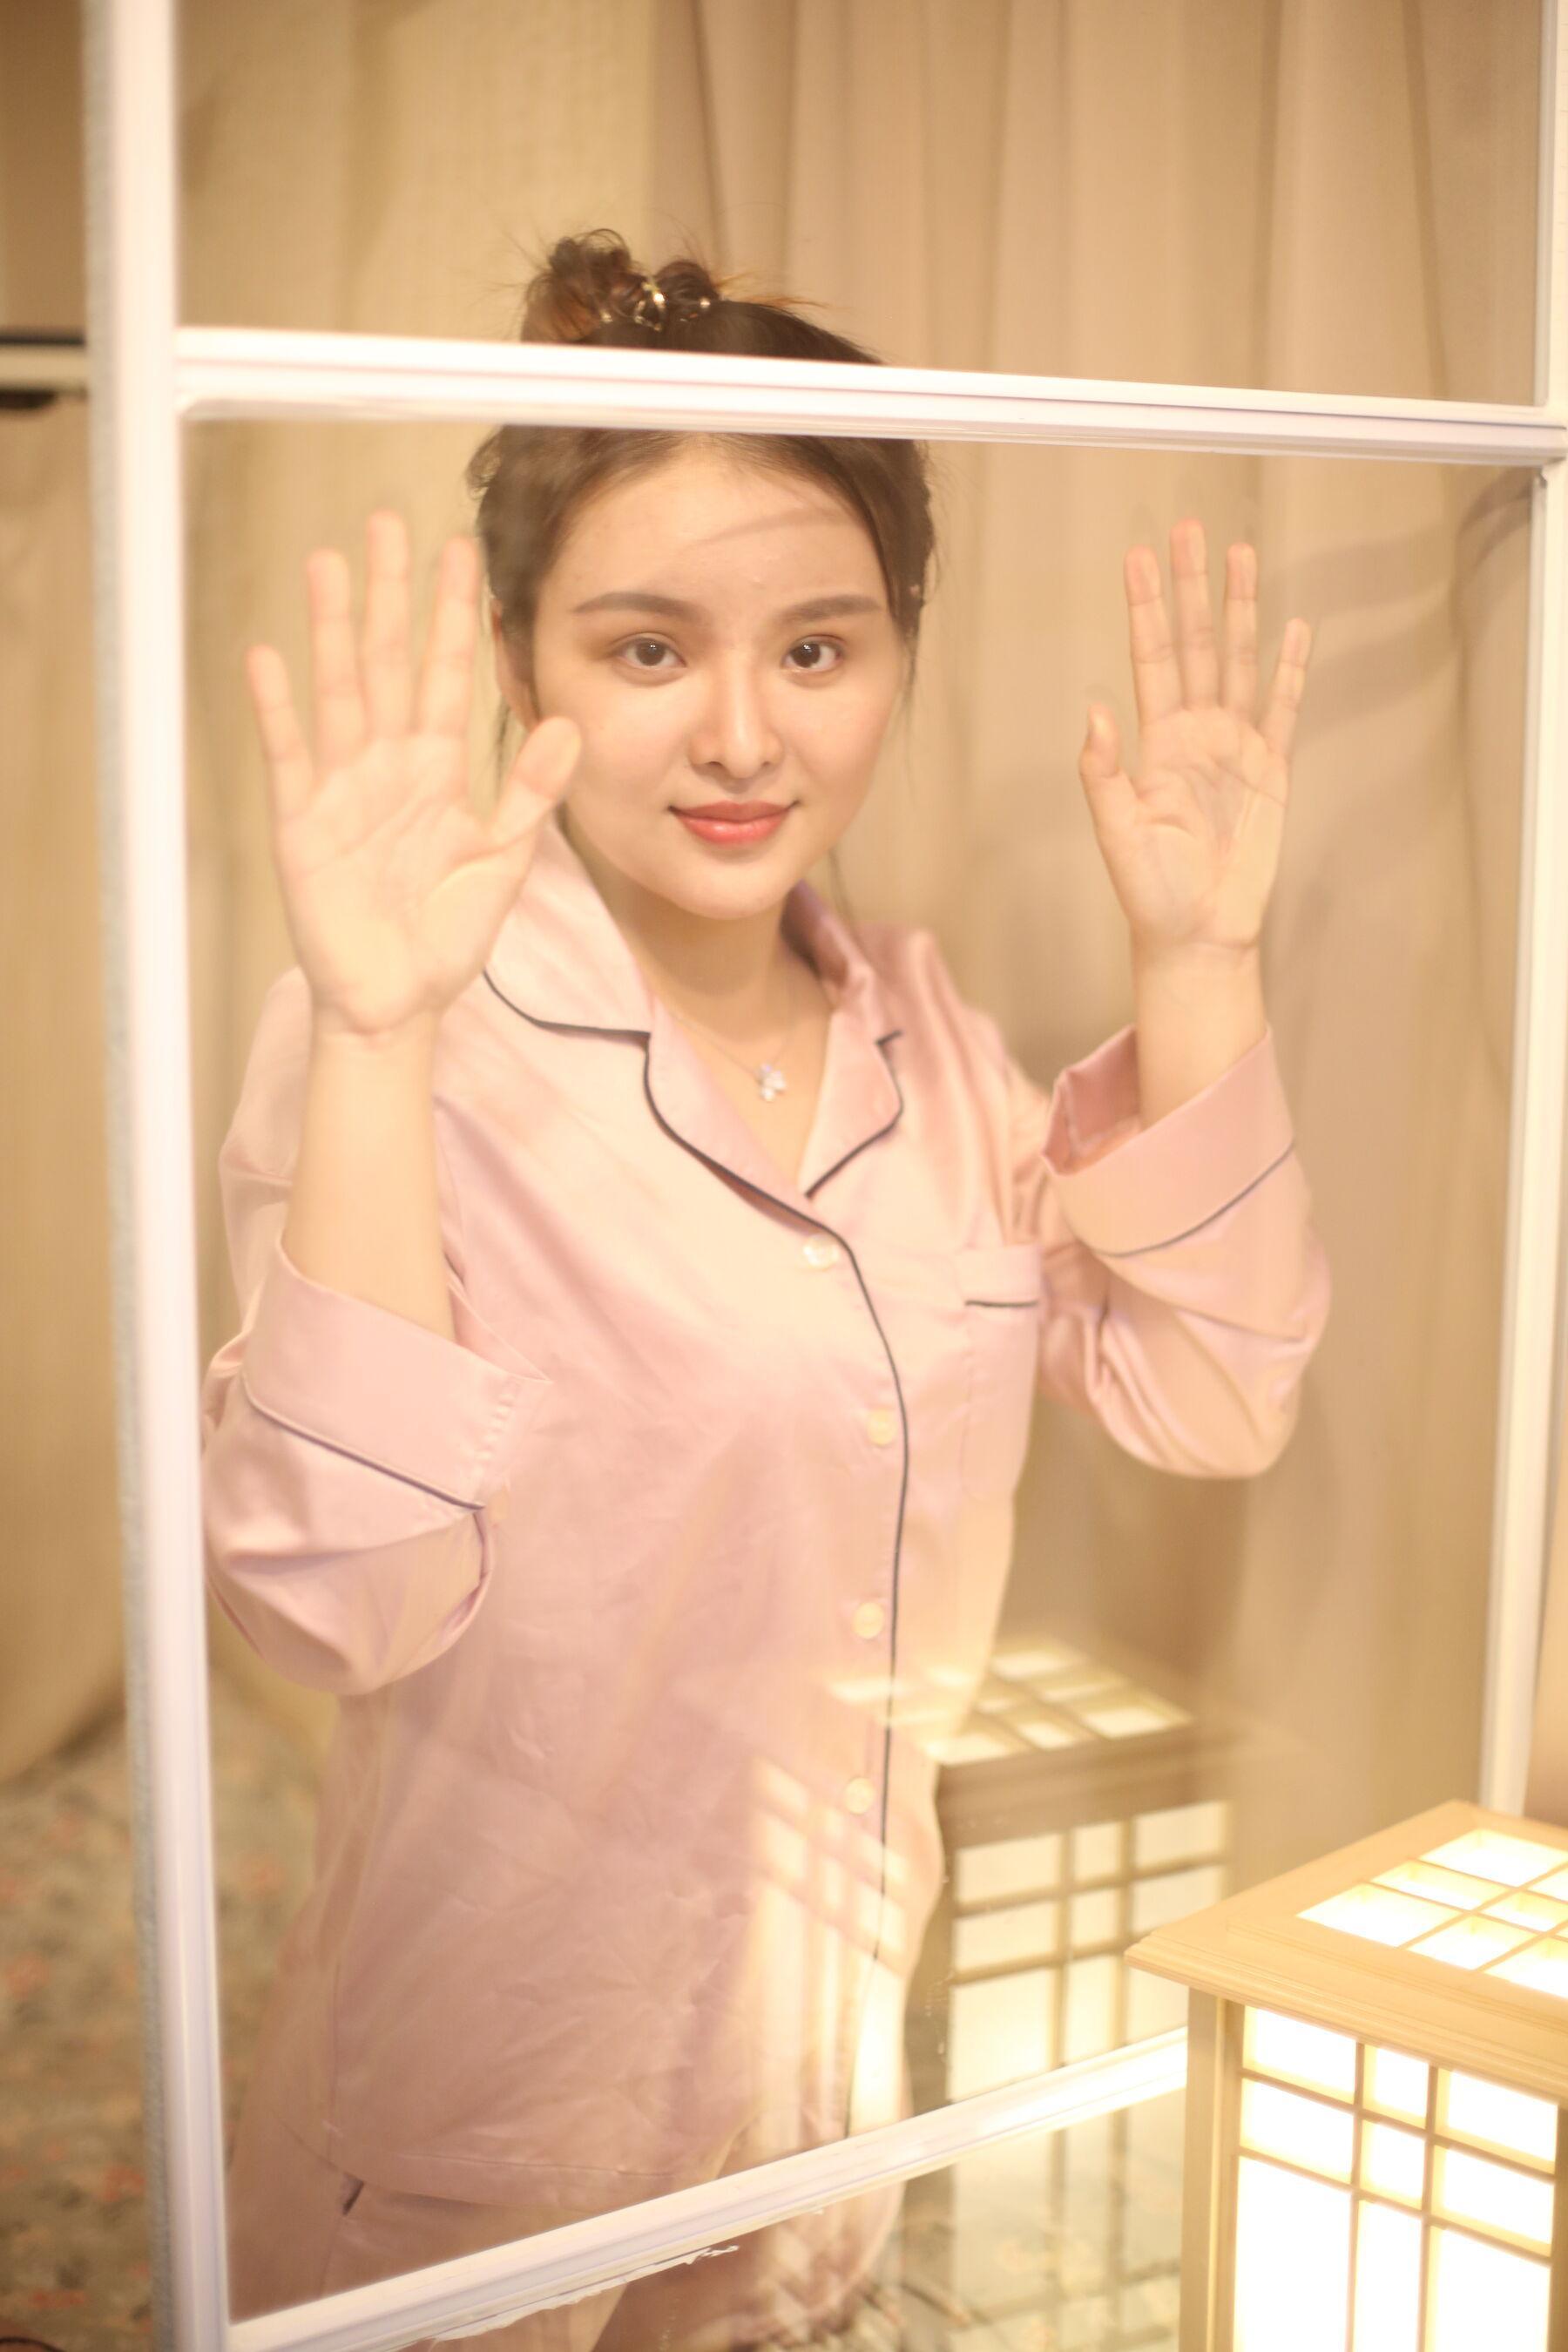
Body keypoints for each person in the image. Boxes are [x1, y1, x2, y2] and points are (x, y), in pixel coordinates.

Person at [204, 228, 1331, 2348]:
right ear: (520, 657)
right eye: (648, 649)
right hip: (492, 2108)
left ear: (898, 653)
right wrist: (370, 1038)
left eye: (818, 649)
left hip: (814, 2074)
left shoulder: (927, 1040)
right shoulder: (419, 1043)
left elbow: (1216, 1392)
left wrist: (1199, 964)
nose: (741, 735)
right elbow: (330, 1605)